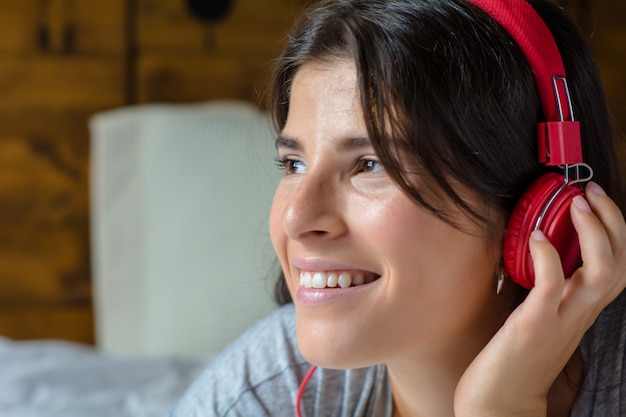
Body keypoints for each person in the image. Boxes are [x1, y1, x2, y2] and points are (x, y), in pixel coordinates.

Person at [168, 0, 626, 416]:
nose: (296, 219)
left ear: (537, 214)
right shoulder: (264, 386)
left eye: (370, 164)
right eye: (293, 163)